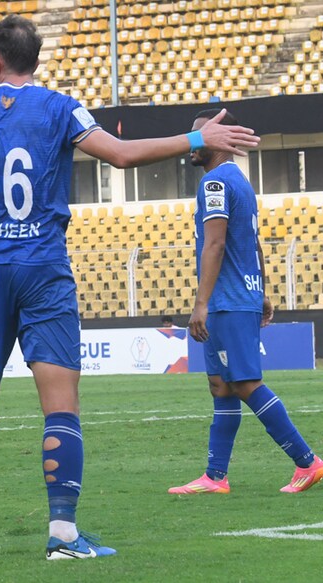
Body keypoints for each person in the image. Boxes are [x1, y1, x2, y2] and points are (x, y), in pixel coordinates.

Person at [0, 14, 260, 561]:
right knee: (60, 406)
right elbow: (123, 155)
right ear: (34, 59)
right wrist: (199, 136)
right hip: (42, 268)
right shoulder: (61, 107)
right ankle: (62, 535)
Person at [169, 109, 323, 496]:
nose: (192, 143)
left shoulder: (215, 183)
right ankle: (215, 477)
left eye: (198, 135)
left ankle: (308, 461)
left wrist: (200, 303)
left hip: (228, 300)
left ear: (219, 141)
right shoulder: (239, 180)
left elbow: (217, 243)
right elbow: (251, 242)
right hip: (241, 294)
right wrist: (264, 290)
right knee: (221, 385)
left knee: (245, 383)